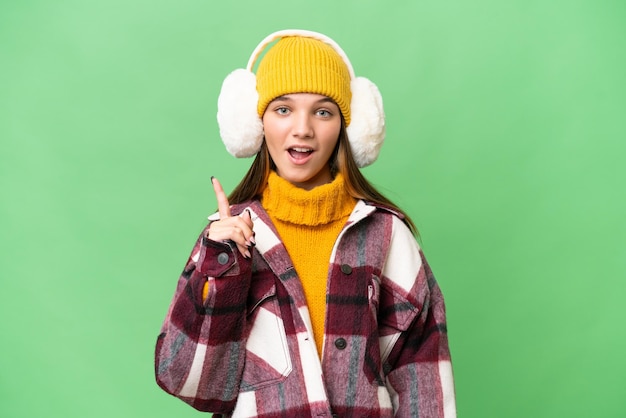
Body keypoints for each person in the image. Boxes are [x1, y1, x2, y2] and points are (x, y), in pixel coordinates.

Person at [154, 29, 456, 418]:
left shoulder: (386, 235)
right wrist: (221, 267)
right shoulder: (229, 236)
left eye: (323, 111)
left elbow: (423, 381)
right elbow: (189, 382)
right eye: (283, 109)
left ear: (348, 128)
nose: (302, 129)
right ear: (256, 122)